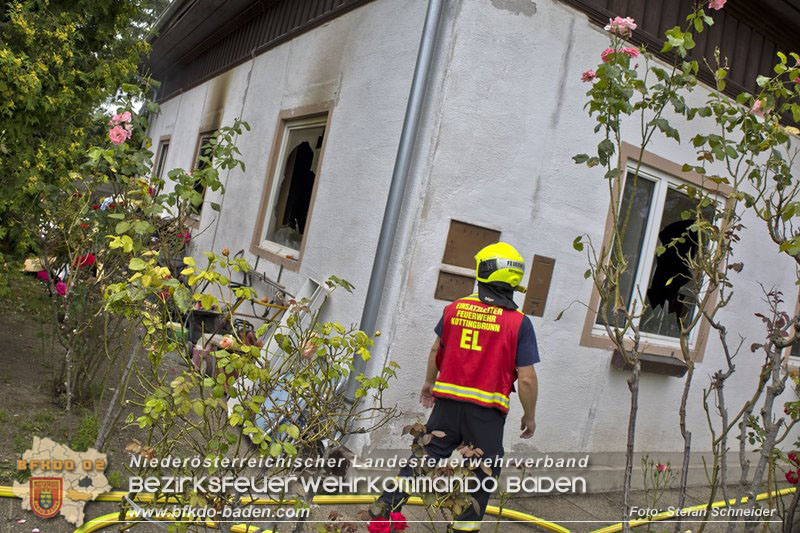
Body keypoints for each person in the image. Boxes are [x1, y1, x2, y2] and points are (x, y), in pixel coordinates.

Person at [374, 242, 540, 532]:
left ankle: (383, 513)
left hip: (446, 408)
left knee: (421, 460)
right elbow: (526, 378)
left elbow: (436, 350)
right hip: (486, 415)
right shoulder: (519, 323)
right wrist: (529, 415)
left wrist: (429, 384)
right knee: (482, 475)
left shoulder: (454, 309)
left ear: (483, 273)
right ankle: (463, 529)